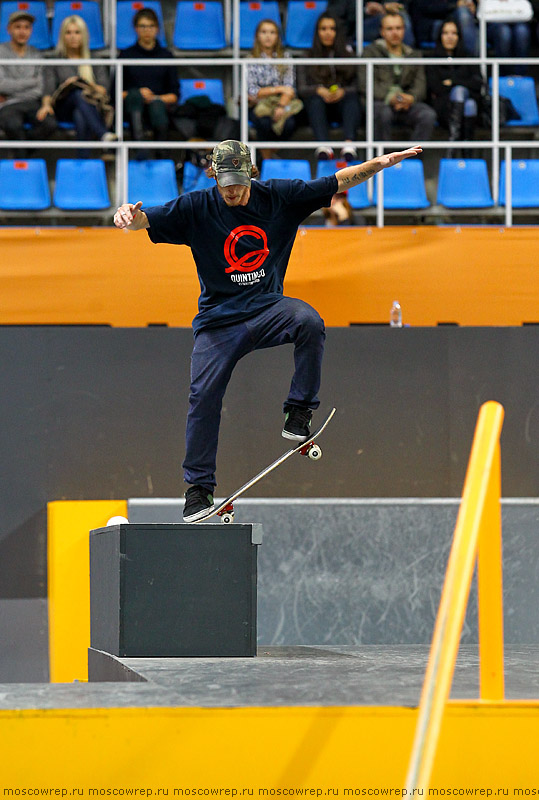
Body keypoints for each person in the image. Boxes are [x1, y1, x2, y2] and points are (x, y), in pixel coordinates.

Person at [113, 138, 422, 522]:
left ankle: (298, 414)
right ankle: (198, 491)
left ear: (251, 174)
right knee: (203, 396)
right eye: (225, 185)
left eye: (239, 184)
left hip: (267, 309)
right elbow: (148, 219)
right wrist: (128, 215)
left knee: (309, 321)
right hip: (217, 322)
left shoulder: (280, 196)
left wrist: (381, 163)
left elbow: (335, 182)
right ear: (214, 177)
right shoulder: (197, 206)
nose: (232, 192)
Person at [360, 11, 436, 142]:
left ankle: (413, 160)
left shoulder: (414, 54)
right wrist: (391, 98)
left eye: (398, 28)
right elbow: (365, 84)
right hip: (380, 102)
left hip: (407, 104)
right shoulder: (370, 53)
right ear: (382, 31)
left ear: (404, 30)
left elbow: (420, 85)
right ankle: (384, 160)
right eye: (389, 29)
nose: (395, 32)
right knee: (382, 113)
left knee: (427, 115)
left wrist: (410, 98)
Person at [42, 16, 116, 146]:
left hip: (91, 106)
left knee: (80, 113)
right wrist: (46, 105)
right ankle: (103, 134)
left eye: (77, 32)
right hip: (63, 108)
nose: (73, 37)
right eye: (68, 32)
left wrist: (84, 84)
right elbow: (48, 90)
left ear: (83, 35)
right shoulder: (54, 60)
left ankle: (83, 160)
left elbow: (104, 89)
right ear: (62, 36)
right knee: (76, 94)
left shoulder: (95, 59)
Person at [296, 13, 361, 161]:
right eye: (323, 29)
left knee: (352, 98)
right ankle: (323, 146)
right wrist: (318, 90)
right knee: (314, 100)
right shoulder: (307, 56)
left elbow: (358, 85)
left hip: (342, 105)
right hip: (317, 108)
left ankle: (349, 146)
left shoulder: (349, 55)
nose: (327, 33)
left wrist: (343, 91)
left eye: (332, 29)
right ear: (317, 32)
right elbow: (301, 88)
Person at [117, 8, 178, 152]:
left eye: (151, 26)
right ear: (136, 28)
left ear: (157, 28)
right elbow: (116, 93)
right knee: (134, 96)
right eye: (142, 26)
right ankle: (140, 149)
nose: (147, 30)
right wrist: (139, 93)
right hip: (131, 108)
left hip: (160, 107)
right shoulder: (126, 55)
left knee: (156, 105)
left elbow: (175, 94)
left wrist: (155, 98)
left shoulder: (166, 56)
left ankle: (160, 154)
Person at [0, 10, 57, 148]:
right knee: (13, 125)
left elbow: (40, 89)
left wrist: (12, 90)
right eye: (18, 27)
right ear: (9, 29)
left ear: (31, 30)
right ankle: (23, 160)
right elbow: (1, 84)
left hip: (32, 103)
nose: (22, 31)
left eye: (26, 27)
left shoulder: (37, 55)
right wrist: (31, 82)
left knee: (50, 124)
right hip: (8, 105)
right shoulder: (1, 52)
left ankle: (19, 156)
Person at [247, 19, 303, 158]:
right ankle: (267, 159)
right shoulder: (250, 59)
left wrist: (280, 106)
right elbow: (252, 91)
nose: (268, 36)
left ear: (278, 36)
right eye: (264, 32)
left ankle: (270, 156)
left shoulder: (285, 57)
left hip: (283, 103)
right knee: (264, 122)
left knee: (289, 123)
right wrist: (278, 89)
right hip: (259, 104)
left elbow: (289, 88)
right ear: (257, 36)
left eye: (272, 32)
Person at [427, 19, 482, 151]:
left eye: (454, 33)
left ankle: (454, 144)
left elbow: (478, 84)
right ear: (440, 36)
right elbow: (435, 87)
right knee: (465, 99)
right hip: (444, 108)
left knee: (468, 102)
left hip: (469, 110)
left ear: (459, 36)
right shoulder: (432, 59)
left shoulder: (468, 58)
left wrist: (452, 82)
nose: (450, 37)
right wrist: (462, 83)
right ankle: (463, 150)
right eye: (445, 33)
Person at [326, 0, 416, 47]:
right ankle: (406, 59)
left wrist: (387, 7)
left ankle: (408, 56)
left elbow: (403, 5)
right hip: (356, 27)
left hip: (386, 18)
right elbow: (338, 13)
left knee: (401, 17)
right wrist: (365, 10)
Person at [410, 0, 478, 55]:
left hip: (454, 21)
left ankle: (474, 62)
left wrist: (471, 6)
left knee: (465, 14)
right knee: (450, 27)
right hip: (430, 25)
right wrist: (456, 5)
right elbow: (428, 7)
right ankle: (472, 59)